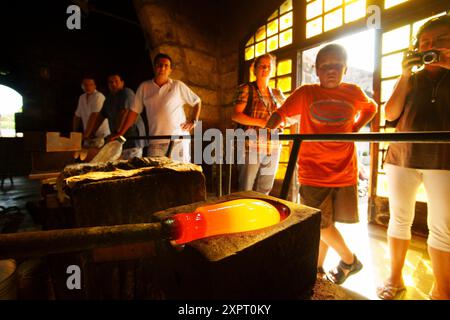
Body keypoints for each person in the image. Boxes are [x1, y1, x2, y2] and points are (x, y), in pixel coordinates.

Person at [266, 44, 377, 285]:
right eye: (325, 66)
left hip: (344, 170)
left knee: (326, 224)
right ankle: (350, 261)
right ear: (316, 70)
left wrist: (357, 127)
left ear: (345, 68)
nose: (331, 70)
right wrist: (267, 129)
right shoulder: (306, 93)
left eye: (337, 65)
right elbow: (282, 113)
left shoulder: (354, 92)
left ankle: (316, 268)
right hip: (313, 171)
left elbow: (371, 107)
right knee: (318, 222)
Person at [378, 15, 450, 300]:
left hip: (445, 158)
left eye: (441, 41)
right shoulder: (412, 78)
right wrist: (405, 74)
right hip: (402, 156)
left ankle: (442, 289)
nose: (432, 48)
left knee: (443, 227)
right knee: (399, 219)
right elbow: (390, 113)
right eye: (426, 43)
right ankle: (394, 278)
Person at [111, 53, 201, 163]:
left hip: (179, 139)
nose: (162, 68)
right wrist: (121, 132)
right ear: (154, 67)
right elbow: (134, 112)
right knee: (157, 174)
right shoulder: (144, 87)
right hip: (156, 141)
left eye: (166, 65)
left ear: (170, 70)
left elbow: (197, 101)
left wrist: (194, 120)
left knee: (181, 173)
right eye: (159, 65)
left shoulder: (177, 86)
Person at [231, 53, 286, 195]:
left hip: (273, 146)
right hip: (251, 146)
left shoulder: (277, 93)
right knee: (246, 186)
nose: (266, 69)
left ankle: (261, 213)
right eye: (262, 66)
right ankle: (244, 214)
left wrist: (282, 122)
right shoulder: (246, 89)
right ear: (254, 69)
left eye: (269, 66)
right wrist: (262, 123)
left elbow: (287, 114)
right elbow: (236, 115)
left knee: (266, 187)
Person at [84, 73, 147, 160]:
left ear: (122, 83)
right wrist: (92, 132)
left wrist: (117, 133)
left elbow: (124, 113)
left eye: (116, 81)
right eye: (110, 82)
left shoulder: (126, 93)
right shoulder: (109, 98)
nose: (113, 84)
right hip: (118, 140)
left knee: (130, 167)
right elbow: (100, 116)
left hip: (132, 139)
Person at [73, 77, 110, 142]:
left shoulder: (98, 96)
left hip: (101, 134)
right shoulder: (82, 97)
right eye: (85, 85)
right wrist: (74, 133)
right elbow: (77, 116)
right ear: (82, 86)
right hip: (88, 135)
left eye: (91, 85)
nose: (88, 87)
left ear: (95, 86)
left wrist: (86, 135)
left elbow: (94, 116)